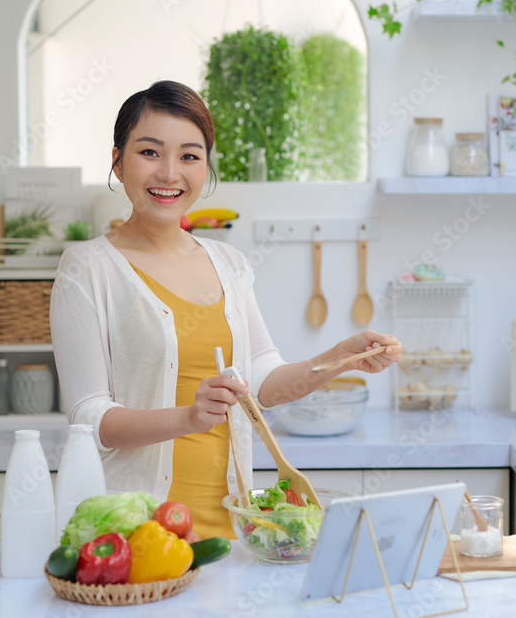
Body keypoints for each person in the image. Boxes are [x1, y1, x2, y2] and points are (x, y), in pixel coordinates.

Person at [50, 80, 402, 538]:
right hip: (138, 536)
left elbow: (262, 383)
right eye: (150, 152)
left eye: (190, 156)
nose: (170, 173)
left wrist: (338, 358)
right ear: (118, 160)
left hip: (234, 533)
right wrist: (189, 417)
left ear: (206, 167)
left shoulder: (229, 264)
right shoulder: (87, 268)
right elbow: (91, 419)